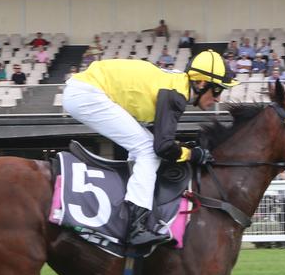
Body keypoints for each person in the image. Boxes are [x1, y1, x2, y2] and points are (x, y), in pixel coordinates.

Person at [62, 50, 239, 246]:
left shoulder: (176, 87)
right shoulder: (176, 94)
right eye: (218, 90)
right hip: (88, 92)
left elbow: (162, 142)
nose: (218, 98)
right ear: (201, 83)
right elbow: (162, 148)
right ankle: (135, 227)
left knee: (143, 147)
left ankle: (127, 207)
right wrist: (192, 153)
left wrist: (183, 150)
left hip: (87, 89)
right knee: (146, 149)